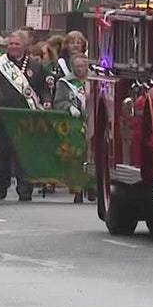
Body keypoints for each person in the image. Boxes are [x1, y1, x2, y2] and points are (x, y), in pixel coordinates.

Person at [0, 31, 50, 202]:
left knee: (24, 153)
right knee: (3, 154)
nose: (13, 47)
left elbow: (43, 88)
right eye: (11, 44)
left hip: (27, 116)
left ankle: (24, 189)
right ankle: (3, 182)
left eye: (17, 44)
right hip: (5, 116)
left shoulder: (35, 65)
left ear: (25, 46)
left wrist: (46, 101)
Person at [53, 54, 93, 204]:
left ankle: (92, 186)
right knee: (78, 154)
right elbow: (58, 102)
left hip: (93, 121)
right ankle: (78, 189)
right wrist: (69, 107)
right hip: (75, 124)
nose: (80, 69)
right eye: (77, 66)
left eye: (82, 66)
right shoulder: (65, 83)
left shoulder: (94, 80)